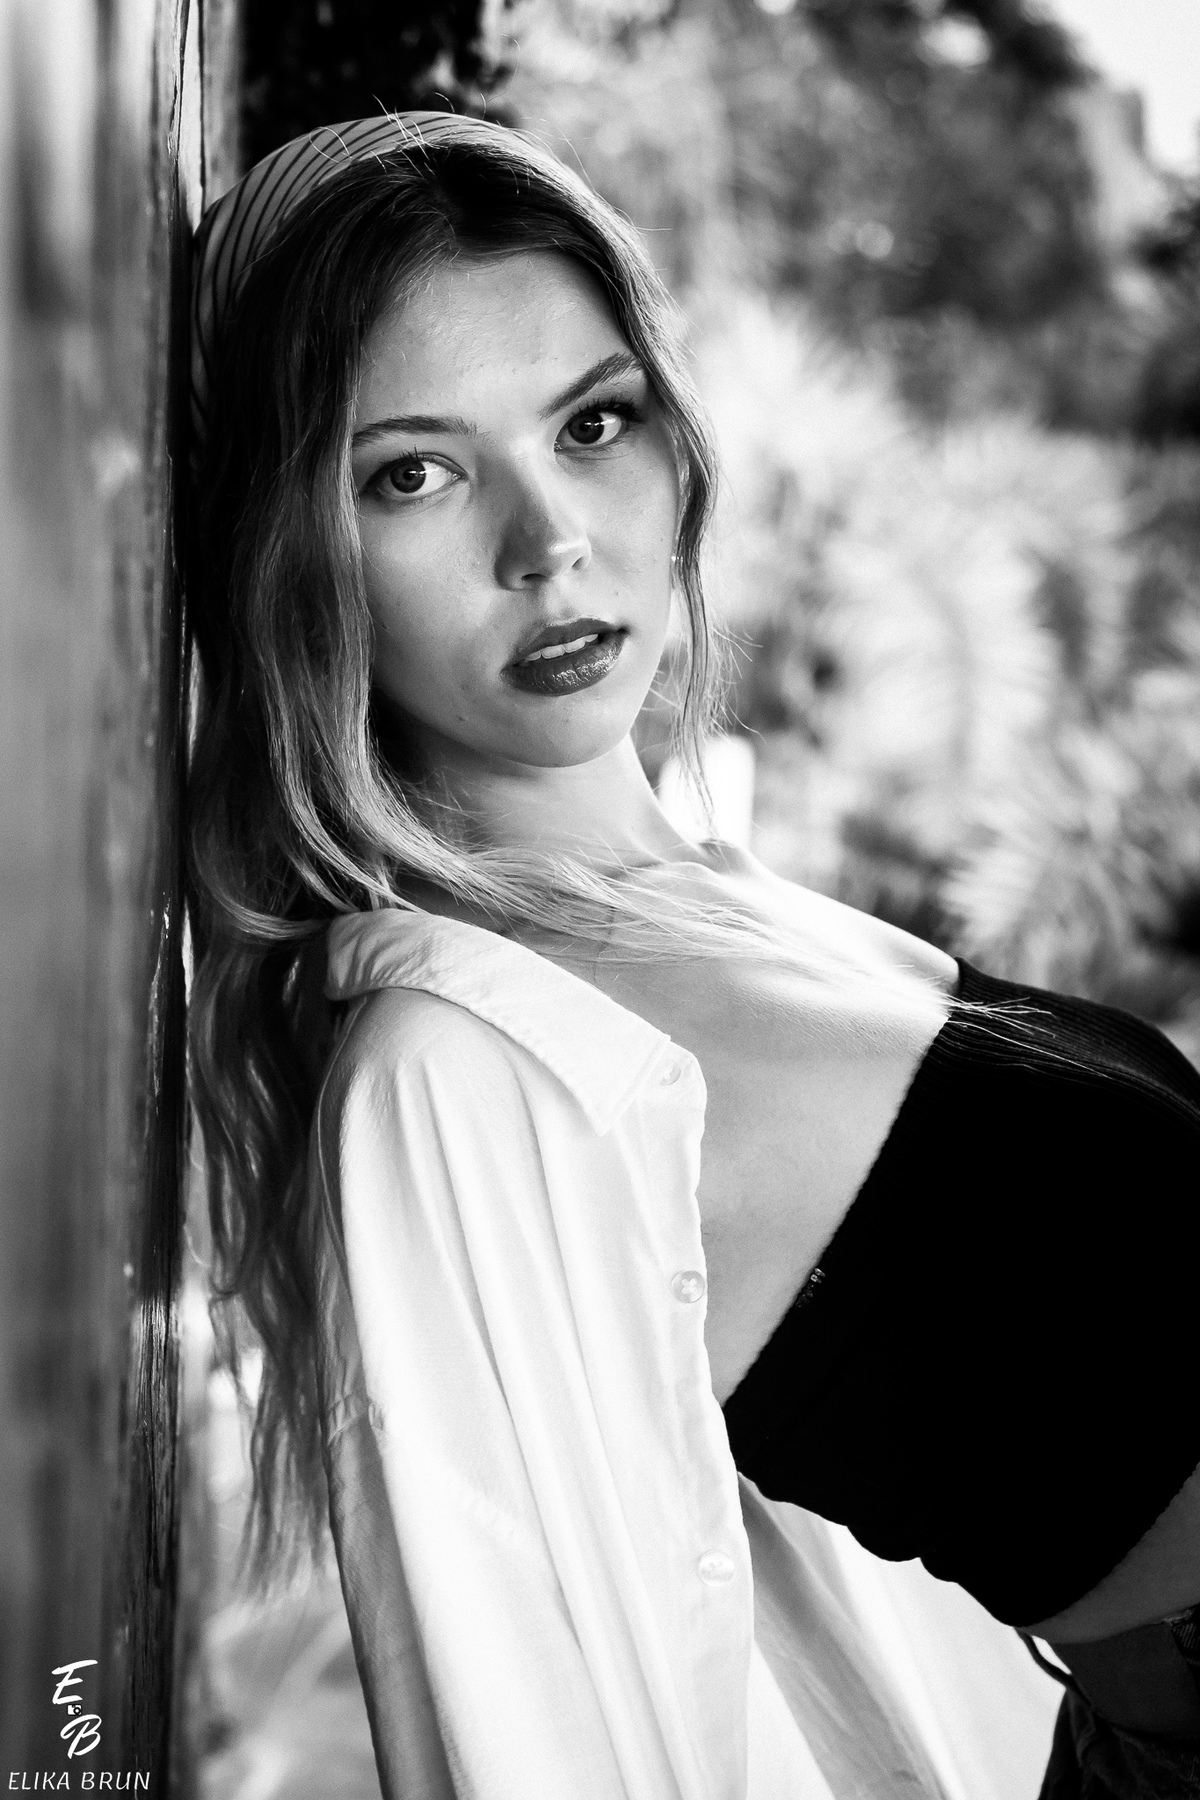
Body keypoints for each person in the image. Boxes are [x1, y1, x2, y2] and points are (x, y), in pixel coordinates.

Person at [186, 112, 1200, 1798]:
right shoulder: (468, 1062)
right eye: (410, 472)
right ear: (287, 547)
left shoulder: (725, 895)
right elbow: (529, 1722)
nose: (549, 540)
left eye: (592, 423)